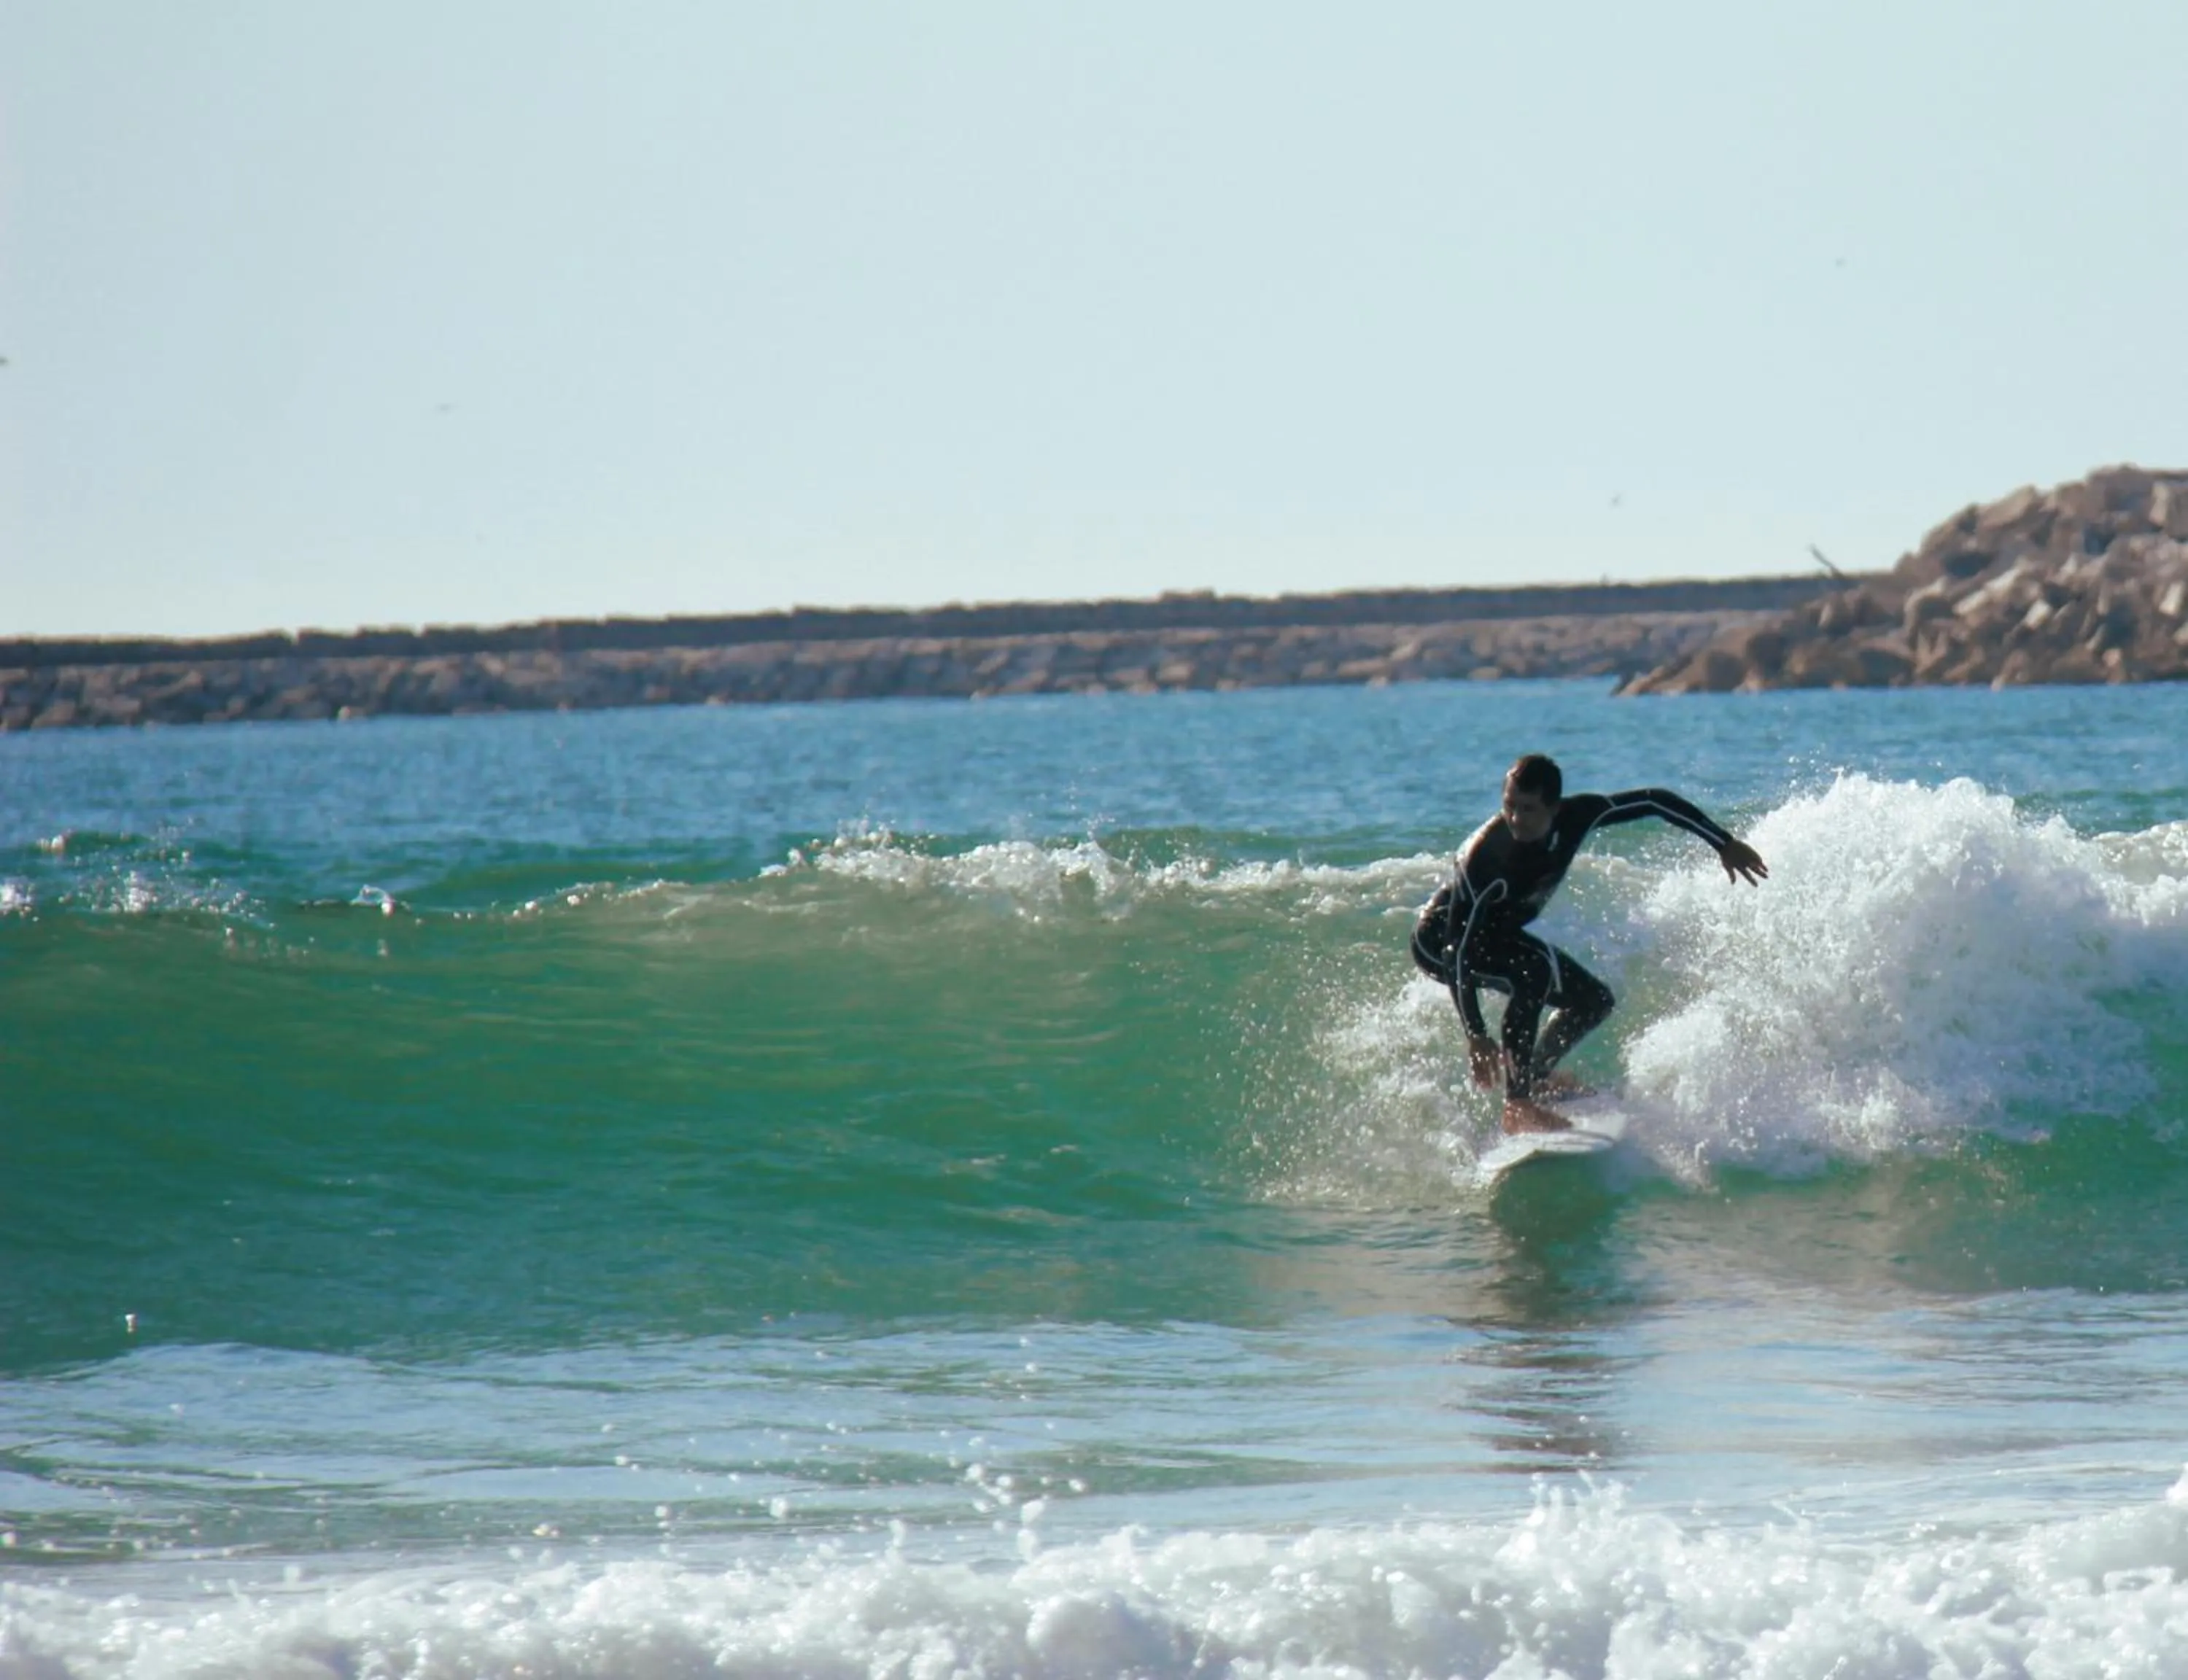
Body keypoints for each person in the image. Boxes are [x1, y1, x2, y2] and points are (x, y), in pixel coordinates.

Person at [1411, 753, 1767, 1133]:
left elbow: (1654, 800)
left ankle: (1536, 1076)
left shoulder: (1577, 815)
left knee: (1592, 1001)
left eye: (1528, 809)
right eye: (1509, 806)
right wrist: (1477, 1034)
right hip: (1440, 942)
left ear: (1554, 808)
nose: (1515, 818)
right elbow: (1457, 950)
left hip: (1497, 935)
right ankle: (1518, 1105)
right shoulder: (1486, 859)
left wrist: (1723, 843)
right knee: (1533, 973)